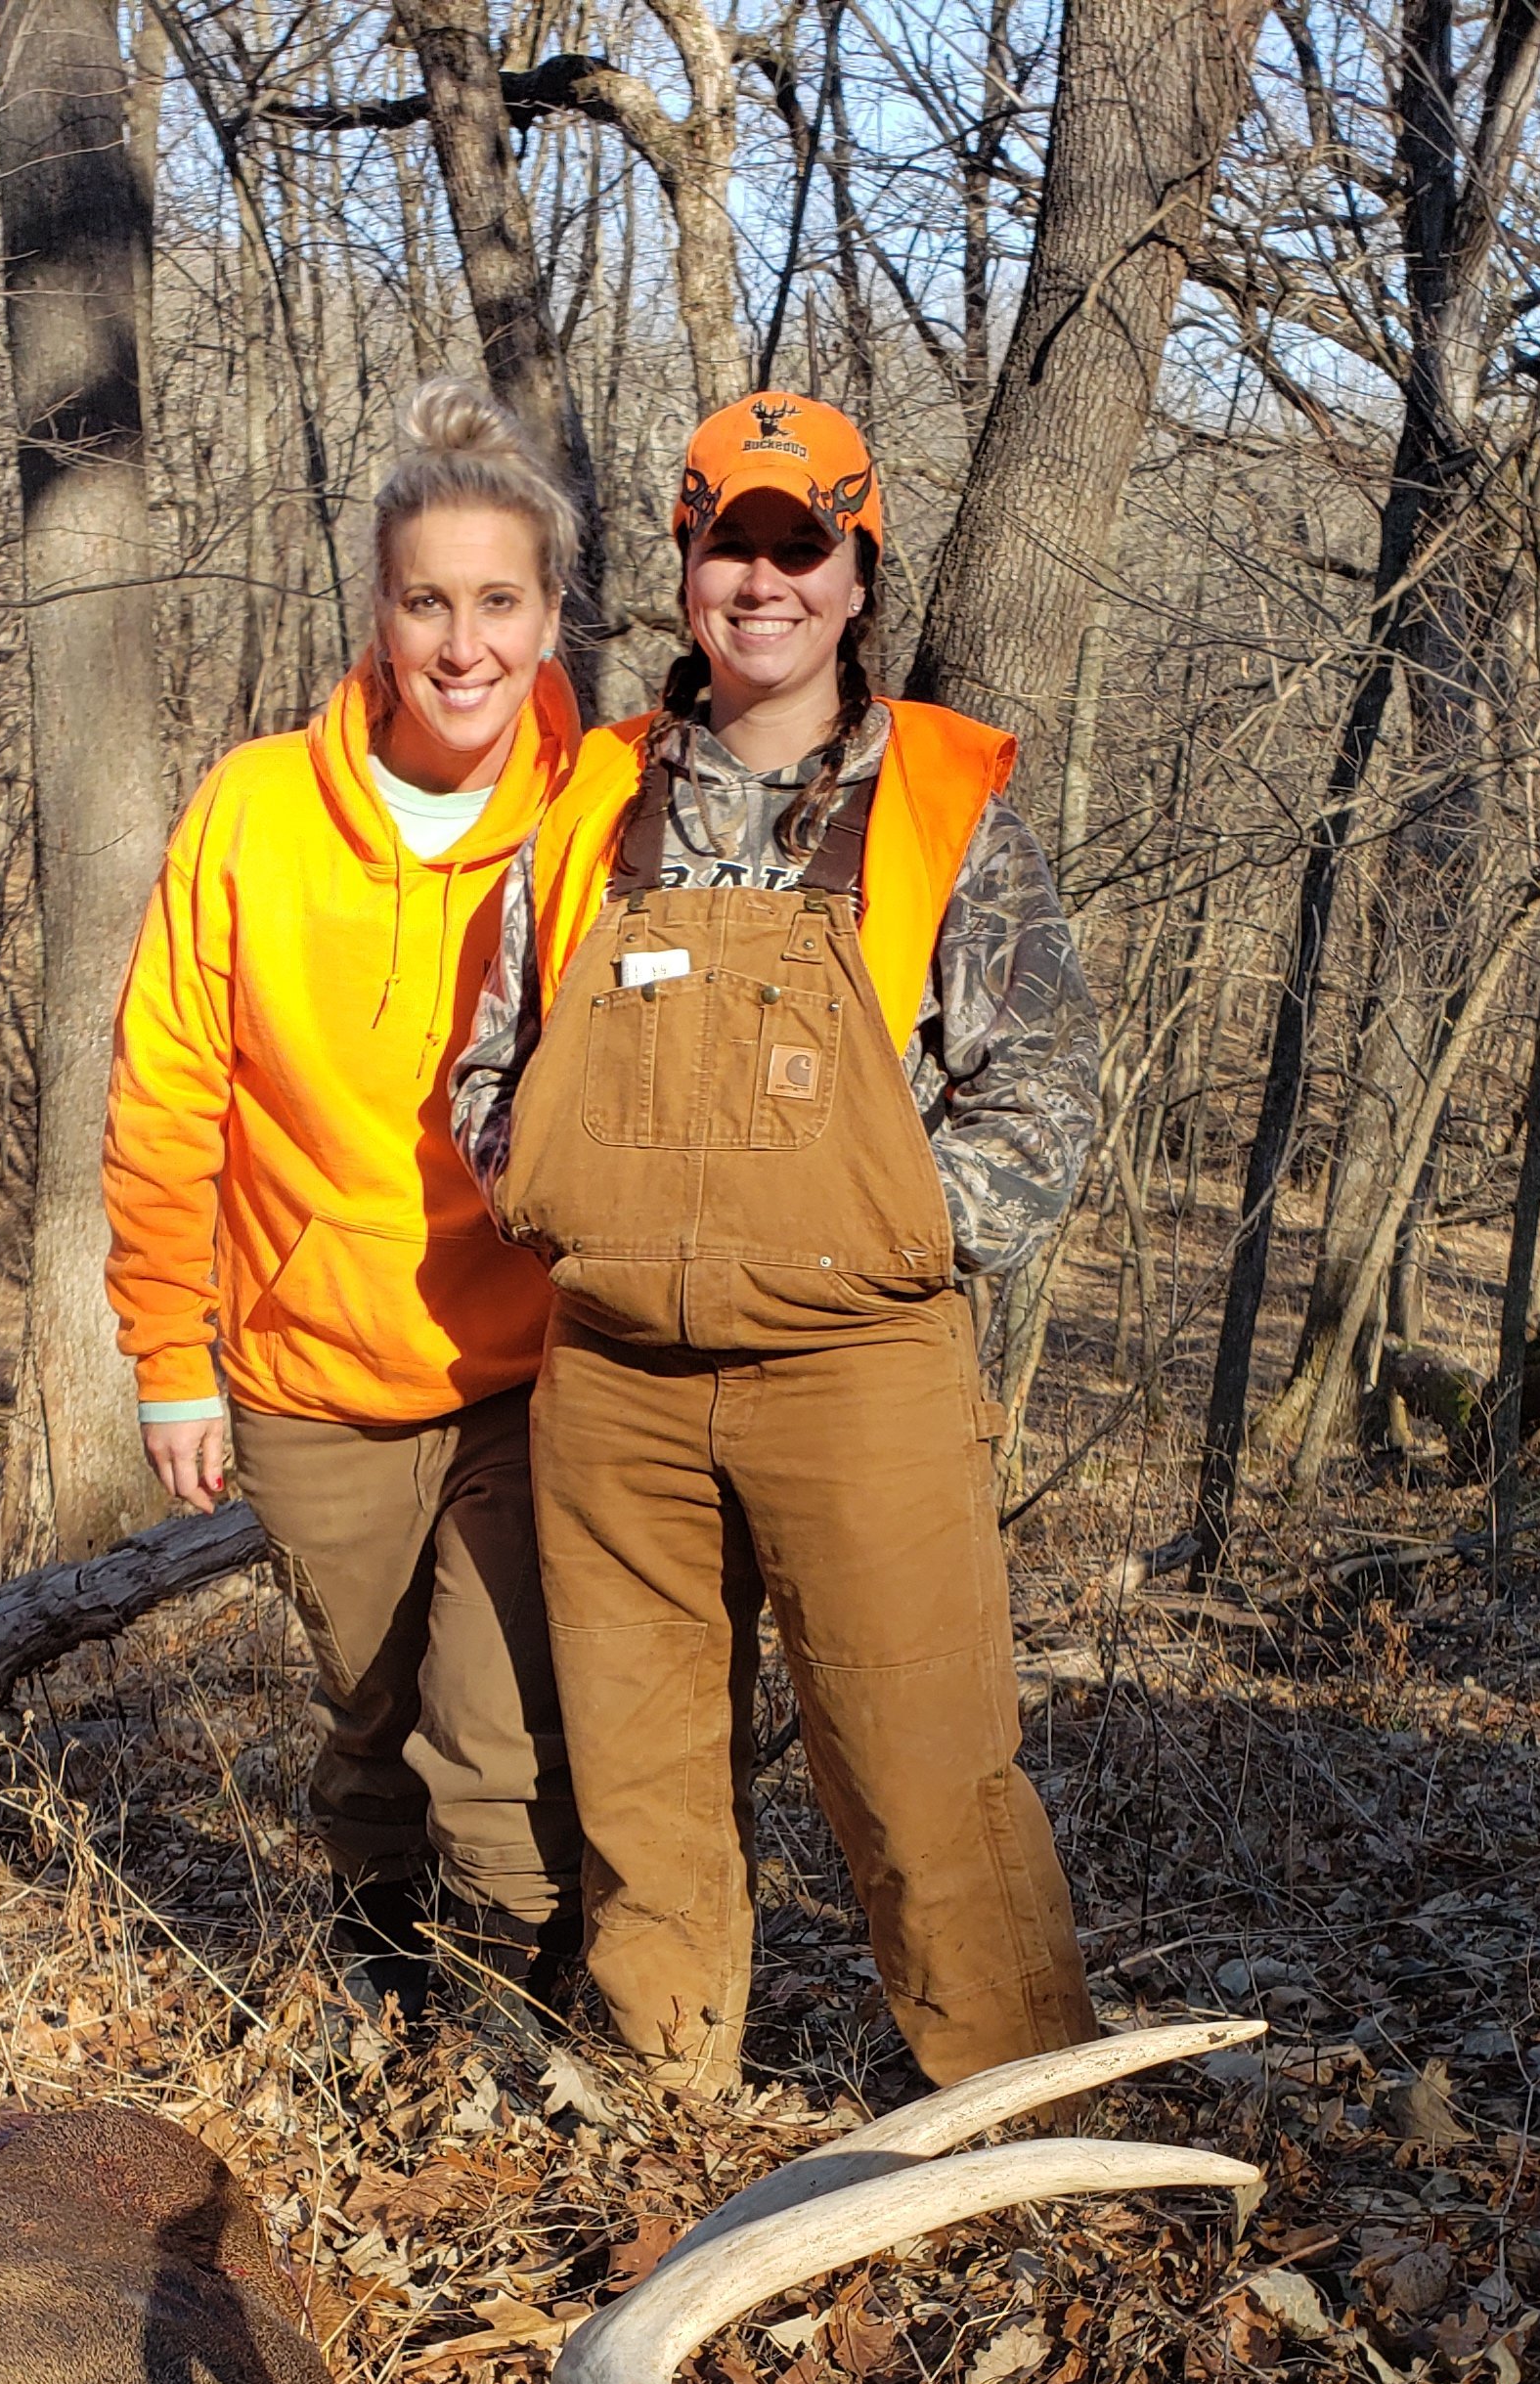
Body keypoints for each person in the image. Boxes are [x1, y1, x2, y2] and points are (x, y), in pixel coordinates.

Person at [452, 389, 1100, 2097]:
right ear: (684, 564)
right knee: (642, 1780)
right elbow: (486, 1066)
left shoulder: (949, 809)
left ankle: (1019, 2127)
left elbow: (1042, 1104)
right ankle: (656, 2105)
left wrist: (862, 1235)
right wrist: (559, 1204)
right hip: (613, 1394)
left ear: (856, 573)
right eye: (729, 543)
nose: (762, 582)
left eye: (799, 547)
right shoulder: (584, 804)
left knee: (925, 1776)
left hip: (863, 1373)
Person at [105, 380, 584, 2027]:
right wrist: (171, 1352)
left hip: (536, 1363)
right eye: (428, 600)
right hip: (314, 1368)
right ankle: (383, 1972)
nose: (463, 643)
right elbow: (169, 1090)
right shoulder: (253, 810)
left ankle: (504, 2019)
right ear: (376, 612)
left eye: (499, 603)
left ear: (550, 616)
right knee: (374, 1708)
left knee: (502, 1711)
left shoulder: (603, 808)